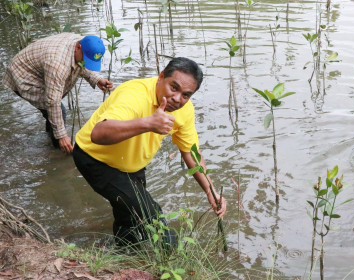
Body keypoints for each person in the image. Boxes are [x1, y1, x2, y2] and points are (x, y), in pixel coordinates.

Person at [72, 57, 227, 247]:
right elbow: (98, 134)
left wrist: (210, 191)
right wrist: (148, 123)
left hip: (132, 165)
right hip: (95, 158)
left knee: (128, 216)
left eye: (186, 95)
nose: (178, 99)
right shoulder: (134, 94)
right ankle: (171, 260)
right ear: (161, 76)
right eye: (174, 88)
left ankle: (123, 256)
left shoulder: (185, 111)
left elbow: (190, 152)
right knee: (151, 216)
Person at [2, 33, 113, 154]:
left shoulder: (80, 43)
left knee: (53, 114)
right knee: (59, 110)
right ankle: (58, 150)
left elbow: (82, 64)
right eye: (86, 58)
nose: (86, 62)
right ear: (78, 47)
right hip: (23, 75)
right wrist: (62, 136)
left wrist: (96, 79)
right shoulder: (58, 64)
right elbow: (52, 101)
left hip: (39, 68)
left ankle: (49, 140)